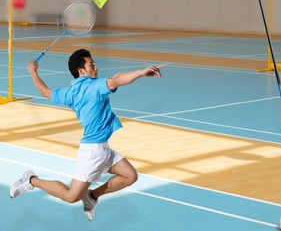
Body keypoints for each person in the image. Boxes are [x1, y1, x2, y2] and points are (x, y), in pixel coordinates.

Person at [9, 49, 165, 221]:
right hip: (92, 151)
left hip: (103, 148)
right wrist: (142, 72)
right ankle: (31, 180)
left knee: (130, 176)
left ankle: (91, 196)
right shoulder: (94, 86)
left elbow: (45, 92)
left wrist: (32, 71)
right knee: (71, 196)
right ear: (81, 71)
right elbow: (117, 79)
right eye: (92, 65)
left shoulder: (70, 92)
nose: (96, 68)